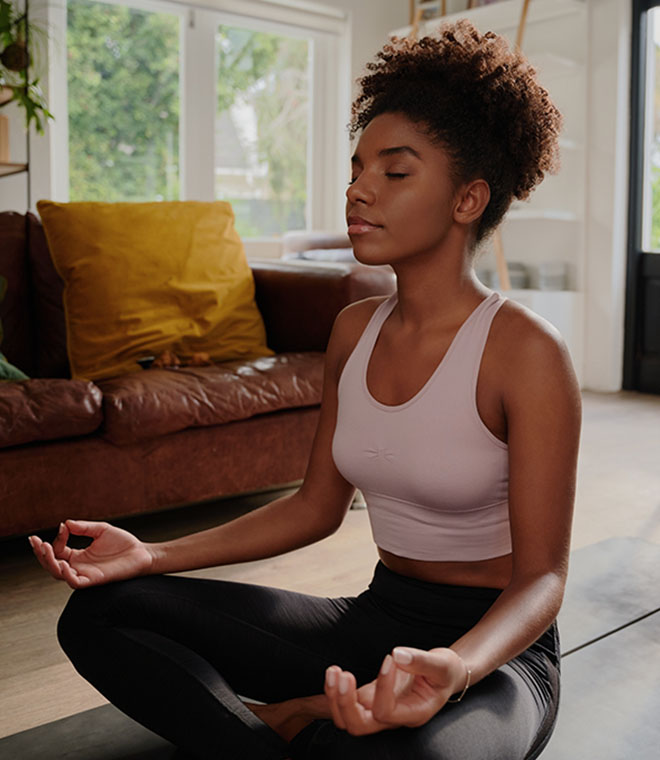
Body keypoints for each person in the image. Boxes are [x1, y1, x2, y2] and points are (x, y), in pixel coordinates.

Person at [29, 21, 581, 760]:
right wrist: (150, 555)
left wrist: (456, 668)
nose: (358, 189)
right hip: (376, 617)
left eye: (395, 171)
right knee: (99, 613)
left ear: (468, 198)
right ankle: (285, 728)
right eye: (357, 168)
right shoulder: (353, 330)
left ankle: (305, 718)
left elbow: (543, 577)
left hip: (497, 656)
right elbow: (314, 508)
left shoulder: (527, 352)